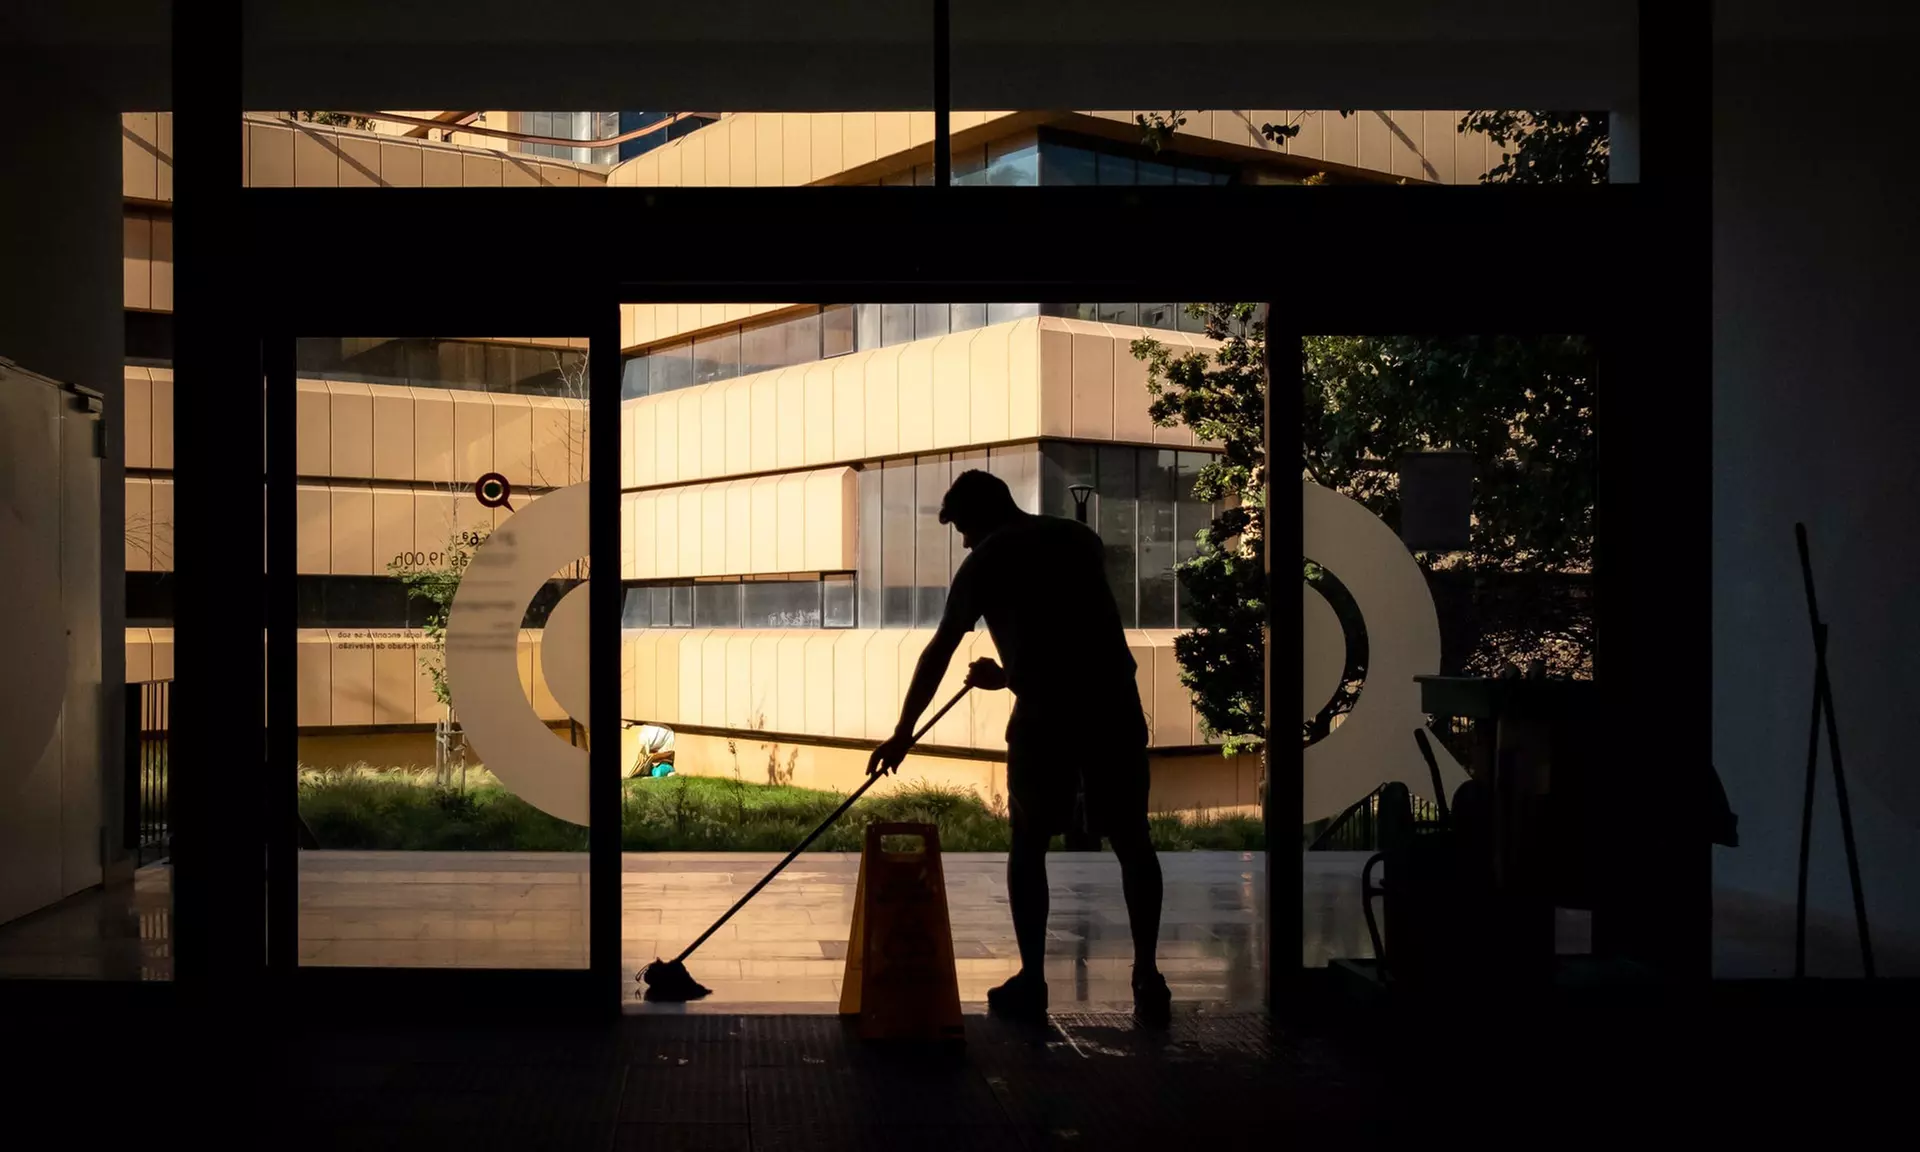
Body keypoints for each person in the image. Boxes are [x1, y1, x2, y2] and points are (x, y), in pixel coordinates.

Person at [868, 469, 1170, 1023]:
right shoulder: (1080, 541)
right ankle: (1148, 974)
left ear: (981, 514)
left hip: (1046, 720)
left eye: (962, 527)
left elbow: (940, 650)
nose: (962, 540)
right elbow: (1075, 637)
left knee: (1029, 842)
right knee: (1132, 839)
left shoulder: (987, 560)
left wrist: (904, 731)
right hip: (1113, 707)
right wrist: (1009, 675)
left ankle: (1033, 980)